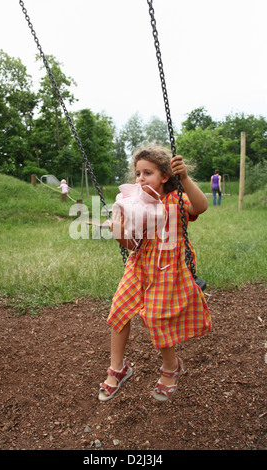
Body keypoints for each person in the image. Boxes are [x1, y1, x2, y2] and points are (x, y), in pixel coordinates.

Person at [98, 145, 211, 402]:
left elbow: (201, 207)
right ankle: (118, 368)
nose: (140, 179)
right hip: (139, 267)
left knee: (157, 318)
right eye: (137, 174)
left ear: (165, 176)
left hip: (168, 270)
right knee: (118, 311)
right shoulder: (134, 204)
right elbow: (132, 245)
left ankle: (171, 367)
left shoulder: (176, 200)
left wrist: (185, 178)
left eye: (147, 173)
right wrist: (119, 232)